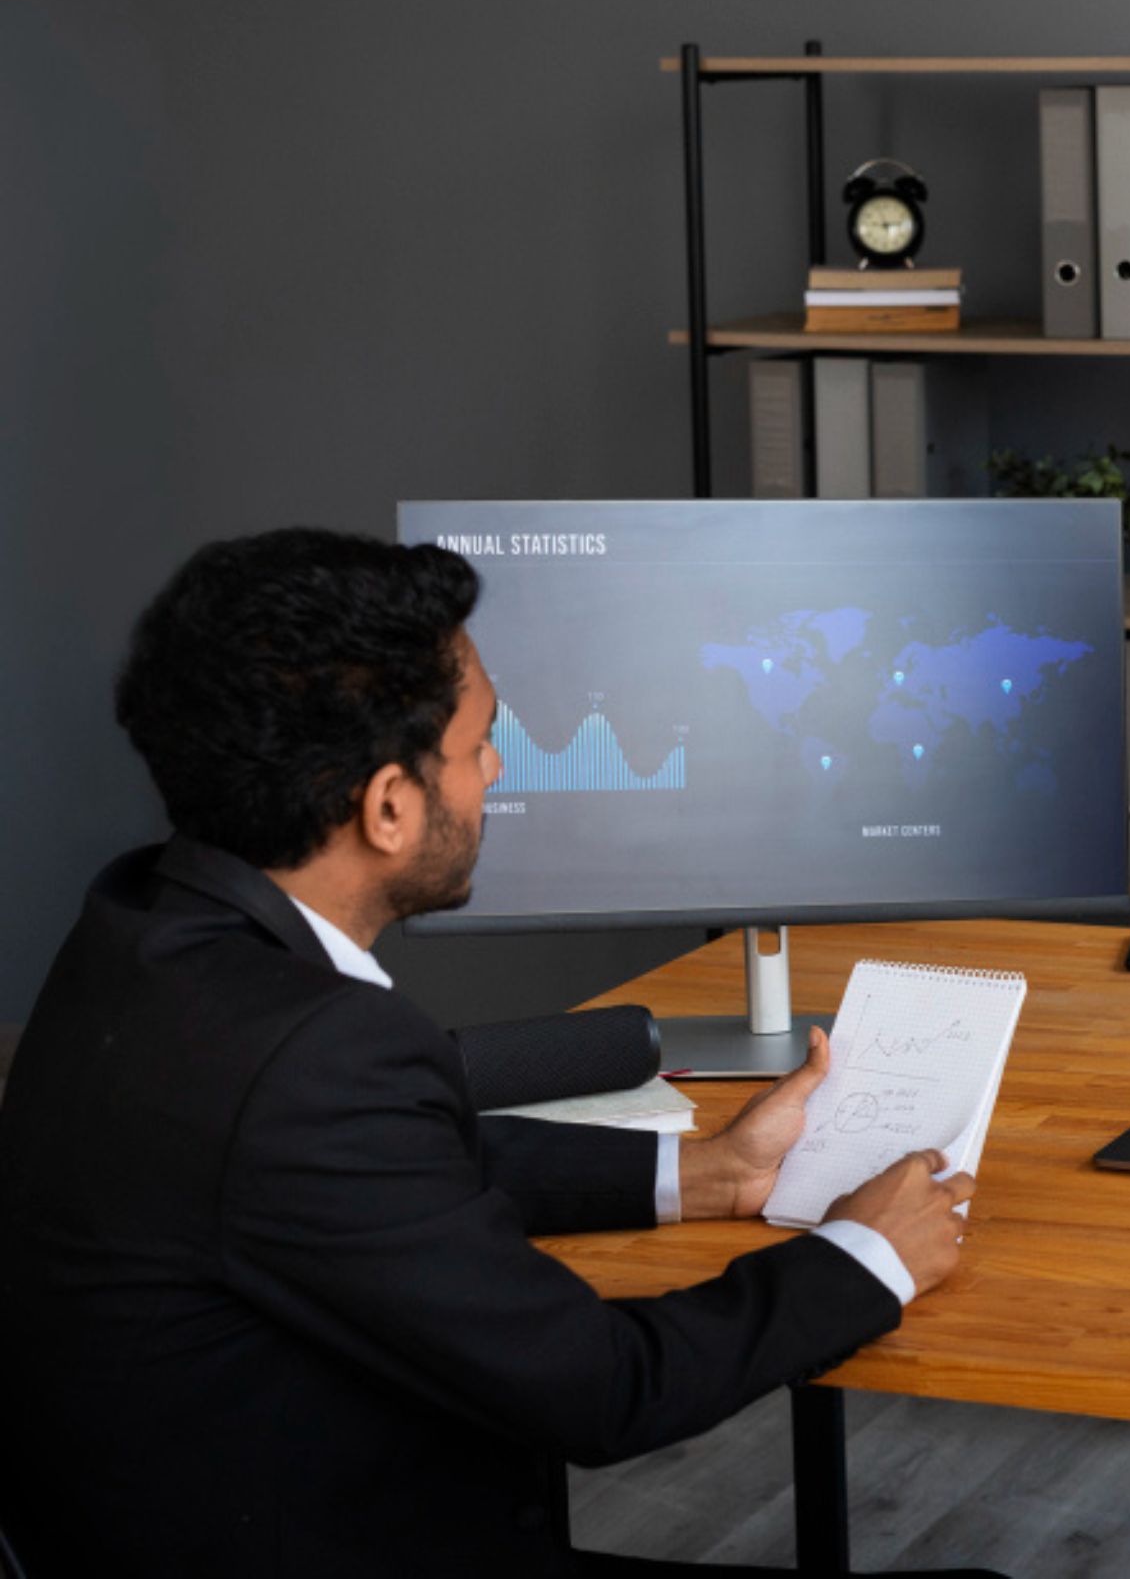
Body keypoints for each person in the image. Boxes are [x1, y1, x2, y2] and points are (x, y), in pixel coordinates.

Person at [0, 530, 999, 1578]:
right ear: (388, 806)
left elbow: (392, 1175)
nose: (499, 767)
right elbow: (608, 1388)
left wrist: (709, 1171)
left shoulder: (142, 927)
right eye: (480, 744)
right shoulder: (314, 1056)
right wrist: (868, 1254)